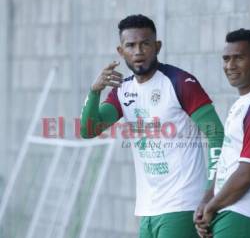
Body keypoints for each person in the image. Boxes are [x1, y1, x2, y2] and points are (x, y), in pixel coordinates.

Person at [80, 14, 224, 238]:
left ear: (157, 46)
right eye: (130, 45)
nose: (138, 51)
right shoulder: (122, 90)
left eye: (145, 44)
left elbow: (217, 135)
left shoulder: (180, 82)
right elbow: (89, 130)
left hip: (182, 205)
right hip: (147, 210)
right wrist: (94, 91)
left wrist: (210, 192)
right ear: (121, 51)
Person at [194, 29, 250, 238]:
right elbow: (228, 158)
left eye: (239, 58)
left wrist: (211, 208)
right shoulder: (244, 101)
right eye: (226, 59)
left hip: (246, 216)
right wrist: (207, 200)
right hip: (231, 212)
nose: (230, 66)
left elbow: (246, 174)